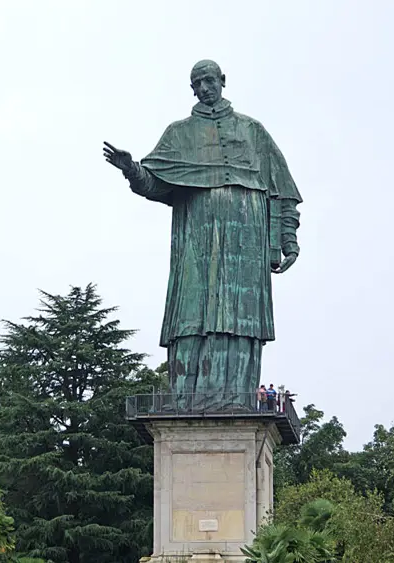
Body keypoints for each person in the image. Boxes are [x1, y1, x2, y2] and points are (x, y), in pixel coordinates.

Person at [103, 60, 303, 409]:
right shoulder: (178, 134)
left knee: (238, 318)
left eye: (210, 80)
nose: (205, 87)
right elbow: (154, 181)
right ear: (192, 89)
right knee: (193, 314)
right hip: (196, 237)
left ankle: (233, 398)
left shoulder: (252, 131)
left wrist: (288, 239)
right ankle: (189, 397)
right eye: (198, 82)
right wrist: (132, 170)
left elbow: (282, 190)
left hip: (247, 239)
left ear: (223, 81)